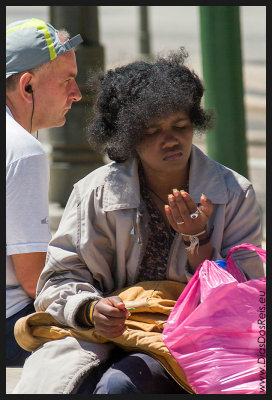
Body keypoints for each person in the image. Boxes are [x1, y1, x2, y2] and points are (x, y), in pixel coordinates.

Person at [13, 48, 264, 394]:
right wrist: (90, 309)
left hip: (192, 343)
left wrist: (199, 240)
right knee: (64, 383)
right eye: (152, 131)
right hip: (99, 335)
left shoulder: (235, 193)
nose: (171, 139)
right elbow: (58, 279)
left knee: (118, 387)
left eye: (180, 126)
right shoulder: (95, 192)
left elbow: (249, 299)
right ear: (127, 136)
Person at [6, 17, 82, 366]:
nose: (77, 94)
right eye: (67, 80)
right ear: (27, 87)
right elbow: (36, 282)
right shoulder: (22, 150)